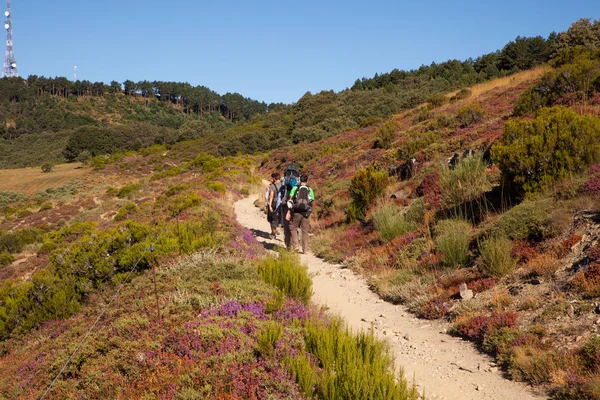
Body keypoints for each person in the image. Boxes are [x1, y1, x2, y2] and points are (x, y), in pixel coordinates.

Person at [286, 174, 314, 254]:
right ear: (307, 180)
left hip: (296, 212)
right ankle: (305, 250)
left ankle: (296, 246)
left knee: (292, 227)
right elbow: (312, 200)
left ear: (300, 180)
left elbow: (290, 200)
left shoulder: (295, 188)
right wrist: (309, 210)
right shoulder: (310, 189)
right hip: (306, 213)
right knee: (305, 231)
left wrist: (289, 211)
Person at [267, 172, 282, 239]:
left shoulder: (272, 186)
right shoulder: (283, 185)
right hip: (281, 203)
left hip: (274, 203)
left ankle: (273, 233)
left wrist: (269, 205)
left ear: (274, 179)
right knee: (279, 218)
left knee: (272, 218)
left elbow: (271, 196)